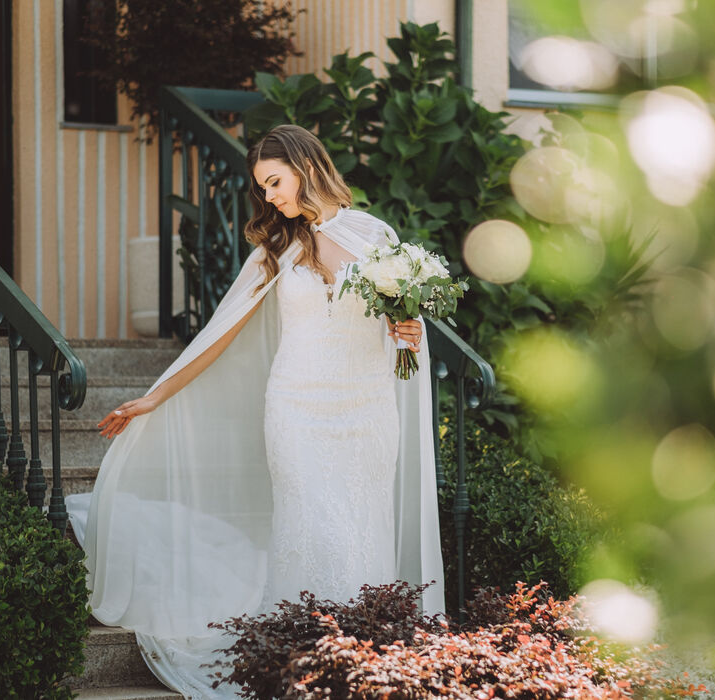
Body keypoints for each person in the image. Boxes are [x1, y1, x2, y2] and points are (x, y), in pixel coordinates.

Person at [65, 125, 444, 698]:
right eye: (262, 188)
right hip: (296, 410)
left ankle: (360, 661)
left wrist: (409, 331)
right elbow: (219, 334)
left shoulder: (377, 237)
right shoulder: (277, 249)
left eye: (274, 182)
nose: (269, 197)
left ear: (306, 166)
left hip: (366, 414)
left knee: (361, 532)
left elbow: (401, 331)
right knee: (314, 526)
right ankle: (308, 661)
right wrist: (155, 395)